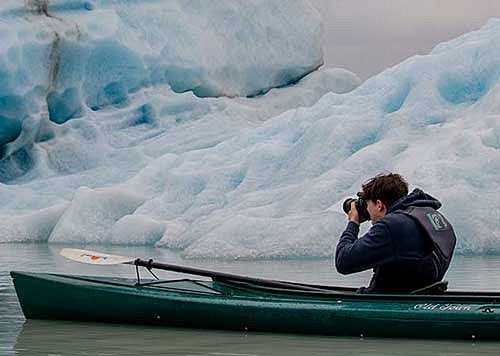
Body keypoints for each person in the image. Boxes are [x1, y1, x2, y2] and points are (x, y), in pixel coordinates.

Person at [335, 173, 456, 294]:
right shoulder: (430, 218)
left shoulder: (391, 226)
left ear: (379, 205)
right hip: (419, 297)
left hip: (386, 303)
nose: (367, 212)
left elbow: (343, 261)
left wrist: (353, 223)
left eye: (368, 205)